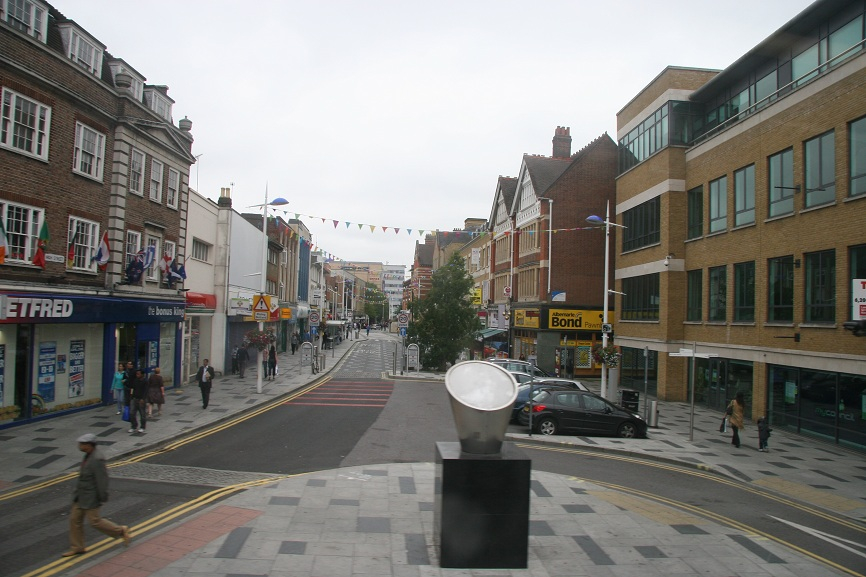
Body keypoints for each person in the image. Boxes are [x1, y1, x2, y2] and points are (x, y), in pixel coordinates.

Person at [62, 433, 130, 557]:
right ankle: (78, 547)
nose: (80, 446)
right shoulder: (88, 455)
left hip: (91, 497)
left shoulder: (97, 459)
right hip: (81, 495)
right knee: (74, 520)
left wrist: (102, 496)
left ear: (90, 445)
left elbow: (102, 480)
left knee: (95, 521)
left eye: (82, 444)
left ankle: (120, 530)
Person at [127, 369, 148, 434]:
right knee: (131, 413)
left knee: (142, 414)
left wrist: (143, 399)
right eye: (136, 374)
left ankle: (142, 427)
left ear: (142, 374)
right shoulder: (135, 380)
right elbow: (132, 388)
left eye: (138, 374)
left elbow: (146, 391)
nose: (137, 375)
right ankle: (134, 426)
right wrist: (131, 396)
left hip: (141, 399)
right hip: (134, 398)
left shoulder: (145, 381)